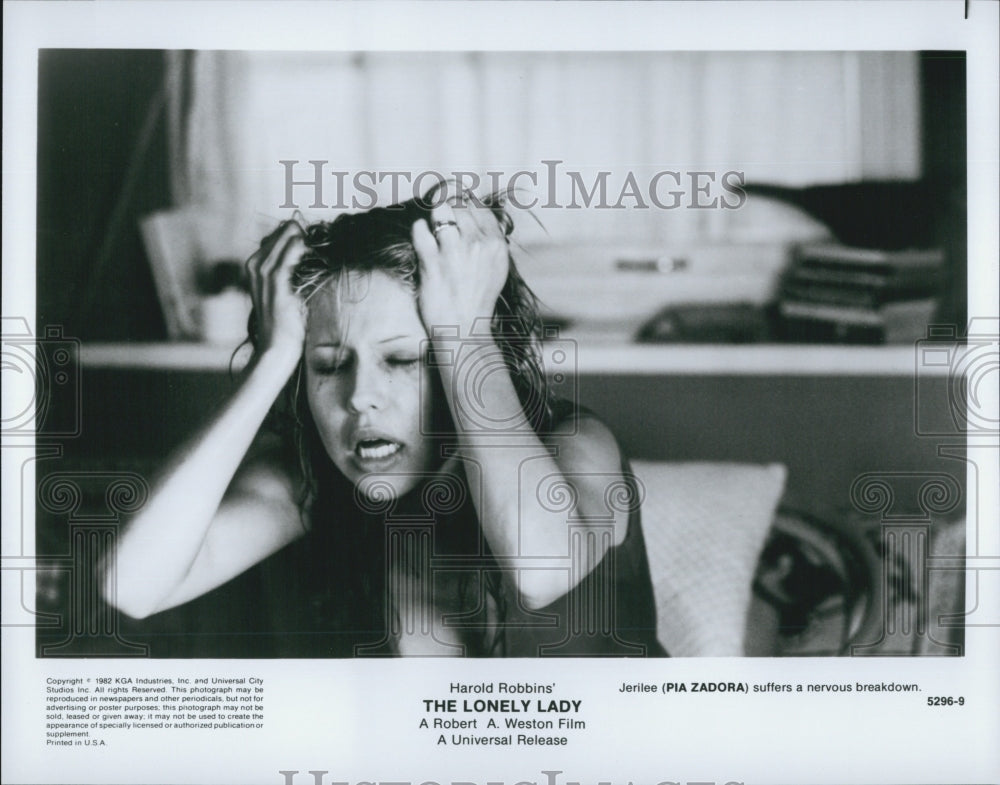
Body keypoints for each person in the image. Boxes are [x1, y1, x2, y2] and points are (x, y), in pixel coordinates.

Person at [104, 186, 665, 657]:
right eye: (330, 364)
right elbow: (130, 585)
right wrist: (273, 360)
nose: (359, 398)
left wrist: (466, 329)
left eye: (402, 360)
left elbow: (542, 568)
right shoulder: (311, 476)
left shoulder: (574, 442)